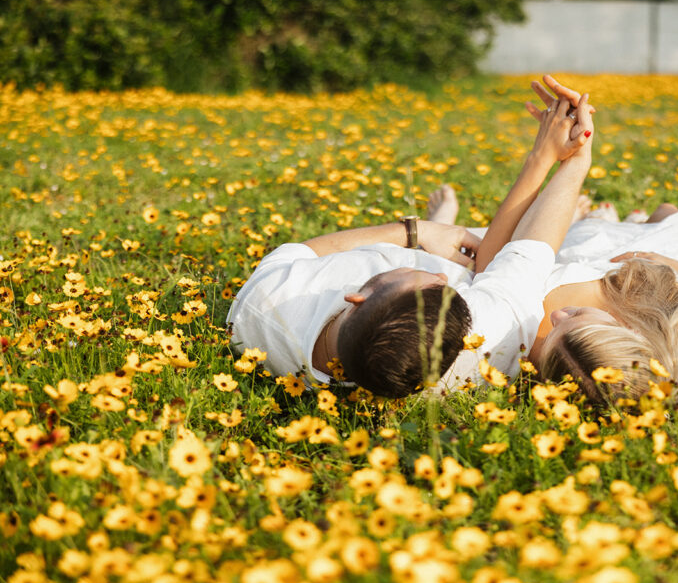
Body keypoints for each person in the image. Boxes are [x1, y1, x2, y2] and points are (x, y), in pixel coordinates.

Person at [226, 76, 595, 398]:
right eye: (444, 284)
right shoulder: (479, 350)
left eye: (420, 277)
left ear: (356, 296)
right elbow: (524, 255)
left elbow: (301, 252)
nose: (439, 275)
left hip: (434, 246)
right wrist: (562, 159)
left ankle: (441, 221)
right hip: (482, 256)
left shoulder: (265, 305)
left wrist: (414, 232)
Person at [428, 186, 678, 406]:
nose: (557, 317)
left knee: (565, 245)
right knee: (668, 212)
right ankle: (613, 223)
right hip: (671, 272)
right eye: (575, 318)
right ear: (628, 332)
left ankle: (591, 222)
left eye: (551, 343)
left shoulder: (519, 344)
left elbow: (497, 268)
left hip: (583, 262)